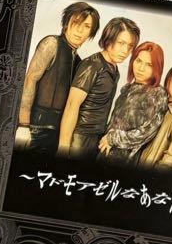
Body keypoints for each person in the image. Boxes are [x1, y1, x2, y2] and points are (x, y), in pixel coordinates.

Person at [16, 2, 101, 154]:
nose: (80, 30)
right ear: (66, 23)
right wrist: (23, 125)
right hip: (34, 128)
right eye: (76, 22)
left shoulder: (79, 62)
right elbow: (30, 79)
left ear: (91, 32)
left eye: (87, 26)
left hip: (56, 135)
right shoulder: (52, 43)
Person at [58, 17, 140, 159]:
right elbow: (72, 105)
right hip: (79, 137)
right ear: (109, 39)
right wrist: (63, 147)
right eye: (121, 43)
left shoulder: (115, 69)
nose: (125, 50)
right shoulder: (92, 65)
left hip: (97, 138)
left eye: (130, 46)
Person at [98, 40, 167, 164]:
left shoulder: (157, 94)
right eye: (138, 61)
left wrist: (112, 138)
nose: (141, 68)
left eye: (149, 65)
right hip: (105, 152)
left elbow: (147, 132)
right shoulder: (128, 88)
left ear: (157, 68)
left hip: (125, 161)